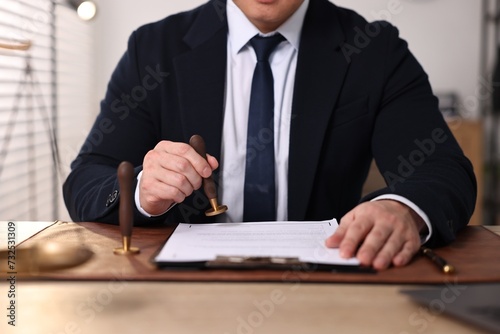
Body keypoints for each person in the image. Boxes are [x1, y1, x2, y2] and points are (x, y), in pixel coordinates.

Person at [63, 0, 476, 270]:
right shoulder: (153, 49)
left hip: (327, 285)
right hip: (182, 287)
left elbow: (444, 170)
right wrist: (139, 190)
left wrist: (403, 208)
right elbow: (87, 178)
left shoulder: (375, 50)